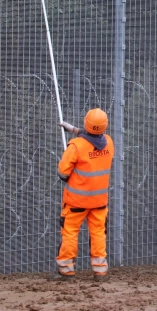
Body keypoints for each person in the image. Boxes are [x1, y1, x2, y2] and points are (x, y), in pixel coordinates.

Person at [50, 108, 114, 280]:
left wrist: (75, 136)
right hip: (99, 202)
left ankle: (66, 271)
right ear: (105, 126)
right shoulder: (109, 143)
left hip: (76, 202)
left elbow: (63, 173)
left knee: (70, 233)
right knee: (98, 233)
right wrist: (73, 130)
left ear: (86, 122)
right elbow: (94, 138)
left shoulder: (76, 146)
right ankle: (100, 271)